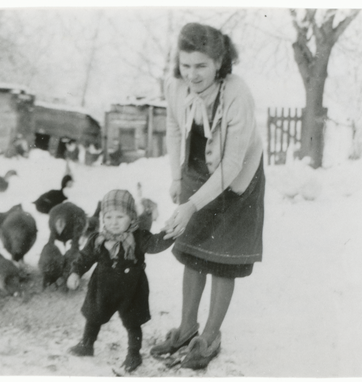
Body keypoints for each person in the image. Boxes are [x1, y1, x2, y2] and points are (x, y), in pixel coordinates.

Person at [150, 22, 265, 370]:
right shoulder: (175, 86)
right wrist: (176, 177)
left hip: (237, 177)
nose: (192, 74)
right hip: (197, 168)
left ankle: (209, 336)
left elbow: (231, 164)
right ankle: (186, 328)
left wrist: (191, 205)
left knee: (222, 259)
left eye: (201, 65)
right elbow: (172, 125)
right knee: (192, 251)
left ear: (219, 62)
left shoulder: (237, 95)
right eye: (186, 65)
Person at [67, 189, 175, 372]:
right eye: (108, 217)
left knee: (133, 321)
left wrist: (169, 233)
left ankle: (134, 353)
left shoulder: (139, 237)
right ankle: (87, 344)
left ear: (132, 217)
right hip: (102, 285)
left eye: (120, 216)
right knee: (93, 315)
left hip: (132, 287)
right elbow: (85, 257)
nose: (114, 222)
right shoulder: (98, 239)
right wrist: (75, 272)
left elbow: (155, 244)